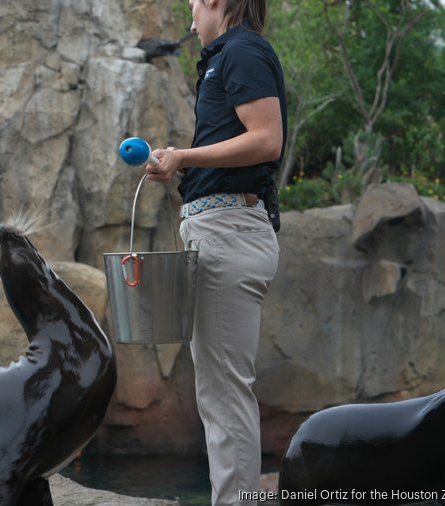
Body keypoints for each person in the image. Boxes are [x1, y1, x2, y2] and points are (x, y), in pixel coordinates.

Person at [144, 0, 285, 504]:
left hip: (229, 232)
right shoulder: (227, 56)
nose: (189, 20)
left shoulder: (241, 50)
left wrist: (184, 156)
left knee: (225, 399)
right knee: (219, 395)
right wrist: (179, 163)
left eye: (193, 7)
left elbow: (267, 140)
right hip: (220, 229)